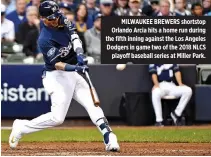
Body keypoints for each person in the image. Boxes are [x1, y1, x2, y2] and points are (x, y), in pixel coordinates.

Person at [9, 1, 120, 152]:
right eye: (52, 18)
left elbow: (74, 35)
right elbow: (58, 64)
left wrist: (80, 53)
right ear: (44, 18)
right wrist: (75, 67)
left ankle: (109, 136)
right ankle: (21, 127)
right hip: (56, 76)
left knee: (92, 104)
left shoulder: (61, 18)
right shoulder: (44, 39)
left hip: (73, 71)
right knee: (57, 118)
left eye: (57, 15)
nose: (57, 19)